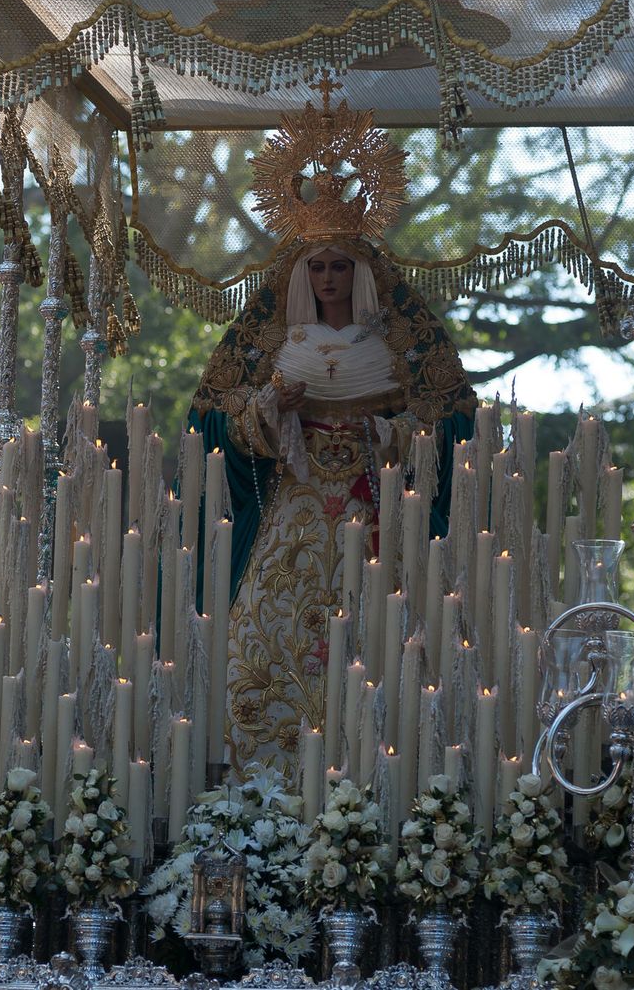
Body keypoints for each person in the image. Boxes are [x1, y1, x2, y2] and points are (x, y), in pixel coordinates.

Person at [185, 229, 475, 772]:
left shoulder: (394, 346)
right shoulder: (278, 342)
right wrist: (271, 407)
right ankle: (266, 768)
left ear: (359, 272)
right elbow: (217, 423)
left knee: (386, 626)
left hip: (372, 509)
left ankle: (372, 763)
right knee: (262, 627)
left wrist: (389, 432)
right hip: (292, 511)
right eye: (316, 268)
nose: (327, 279)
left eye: (338, 267)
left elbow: (448, 422)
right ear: (301, 276)